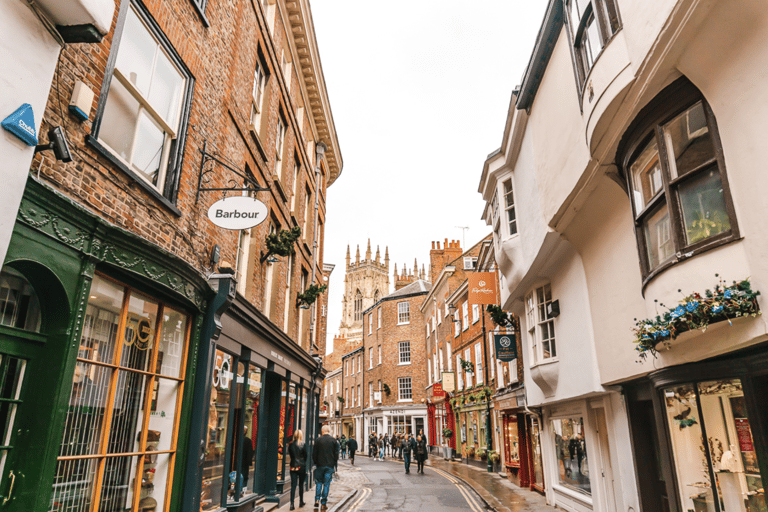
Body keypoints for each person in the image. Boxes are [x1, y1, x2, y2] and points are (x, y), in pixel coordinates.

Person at [313, 425, 338, 511]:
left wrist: (316, 462)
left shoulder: (318, 440)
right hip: (329, 466)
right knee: (326, 484)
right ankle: (323, 503)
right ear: (329, 431)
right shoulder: (333, 441)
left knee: (318, 483)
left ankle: (317, 499)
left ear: (322, 431)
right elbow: (336, 455)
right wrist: (334, 463)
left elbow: (314, 454)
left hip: (320, 465)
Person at [288, 430, 308, 510]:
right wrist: (302, 463)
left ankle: (292, 504)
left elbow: (290, 455)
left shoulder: (291, 445)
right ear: (300, 435)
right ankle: (301, 502)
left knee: (293, 485)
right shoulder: (303, 444)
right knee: (301, 485)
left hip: (293, 466)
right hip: (301, 466)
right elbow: (305, 456)